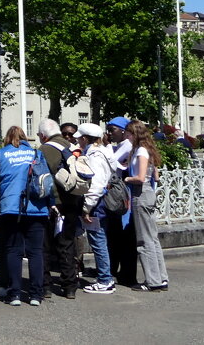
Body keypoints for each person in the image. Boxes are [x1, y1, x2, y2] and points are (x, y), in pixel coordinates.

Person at [0, 125, 49, 306]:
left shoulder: (2, 154)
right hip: (36, 207)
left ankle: (15, 293)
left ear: (7, 139)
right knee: (35, 252)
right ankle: (35, 294)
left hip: (11, 207)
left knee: (13, 251)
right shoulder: (36, 154)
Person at [38, 119, 81, 300]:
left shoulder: (43, 150)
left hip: (52, 202)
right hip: (72, 200)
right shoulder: (73, 147)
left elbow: (40, 177)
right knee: (67, 243)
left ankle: (45, 285)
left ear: (43, 135)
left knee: (45, 245)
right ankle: (69, 285)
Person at [125, 121, 168, 291]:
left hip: (140, 193)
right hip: (149, 193)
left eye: (128, 134)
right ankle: (161, 278)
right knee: (153, 239)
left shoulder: (141, 151)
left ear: (134, 134)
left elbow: (140, 177)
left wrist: (127, 178)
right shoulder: (148, 150)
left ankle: (152, 281)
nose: (126, 137)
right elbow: (155, 176)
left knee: (144, 240)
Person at [75, 123, 116, 294]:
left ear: (85, 138)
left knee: (98, 241)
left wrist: (86, 208)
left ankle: (104, 280)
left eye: (79, 138)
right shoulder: (105, 151)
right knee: (100, 240)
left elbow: (96, 184)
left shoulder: (94, 155)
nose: (78, 141)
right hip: (101, 201)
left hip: (96, 203)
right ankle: (105, 277)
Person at [103, 116, 138, 289]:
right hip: (120, 194)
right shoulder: (120, 146)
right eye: (108, 129)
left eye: (112, 130)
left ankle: (126, 273)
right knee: (116, 235)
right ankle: (116, 269)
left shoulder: (126, 146)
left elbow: (110, 163)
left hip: (124, 196)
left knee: (124, 235)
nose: (109, 133)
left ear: (123, 130)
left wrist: (106, 146)